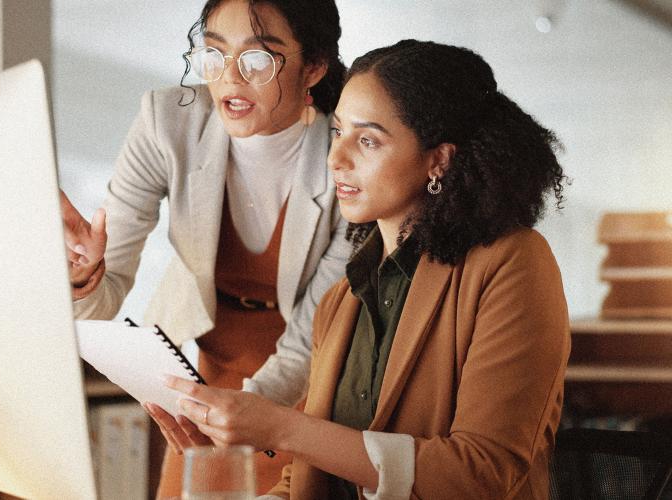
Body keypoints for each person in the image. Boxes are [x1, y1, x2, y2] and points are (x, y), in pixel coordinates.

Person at [158, 39, 571, 499]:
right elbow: (308, 478)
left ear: (439, 159)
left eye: (368, 139)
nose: (336, 158)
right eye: (337, 132)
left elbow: (479, 475)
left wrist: (281, 428)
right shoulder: (341, 298)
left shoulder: (513, 263)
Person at [60, 0, 350, 495]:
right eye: (214, 54)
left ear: (314, 67)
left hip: (318, 378)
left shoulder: (344, 153)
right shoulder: (166, 122)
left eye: (258, 59)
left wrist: (239, 417)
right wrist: (85, 273)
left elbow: (310, 337)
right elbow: (103, 298)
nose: (229, 79)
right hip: (207, 369)